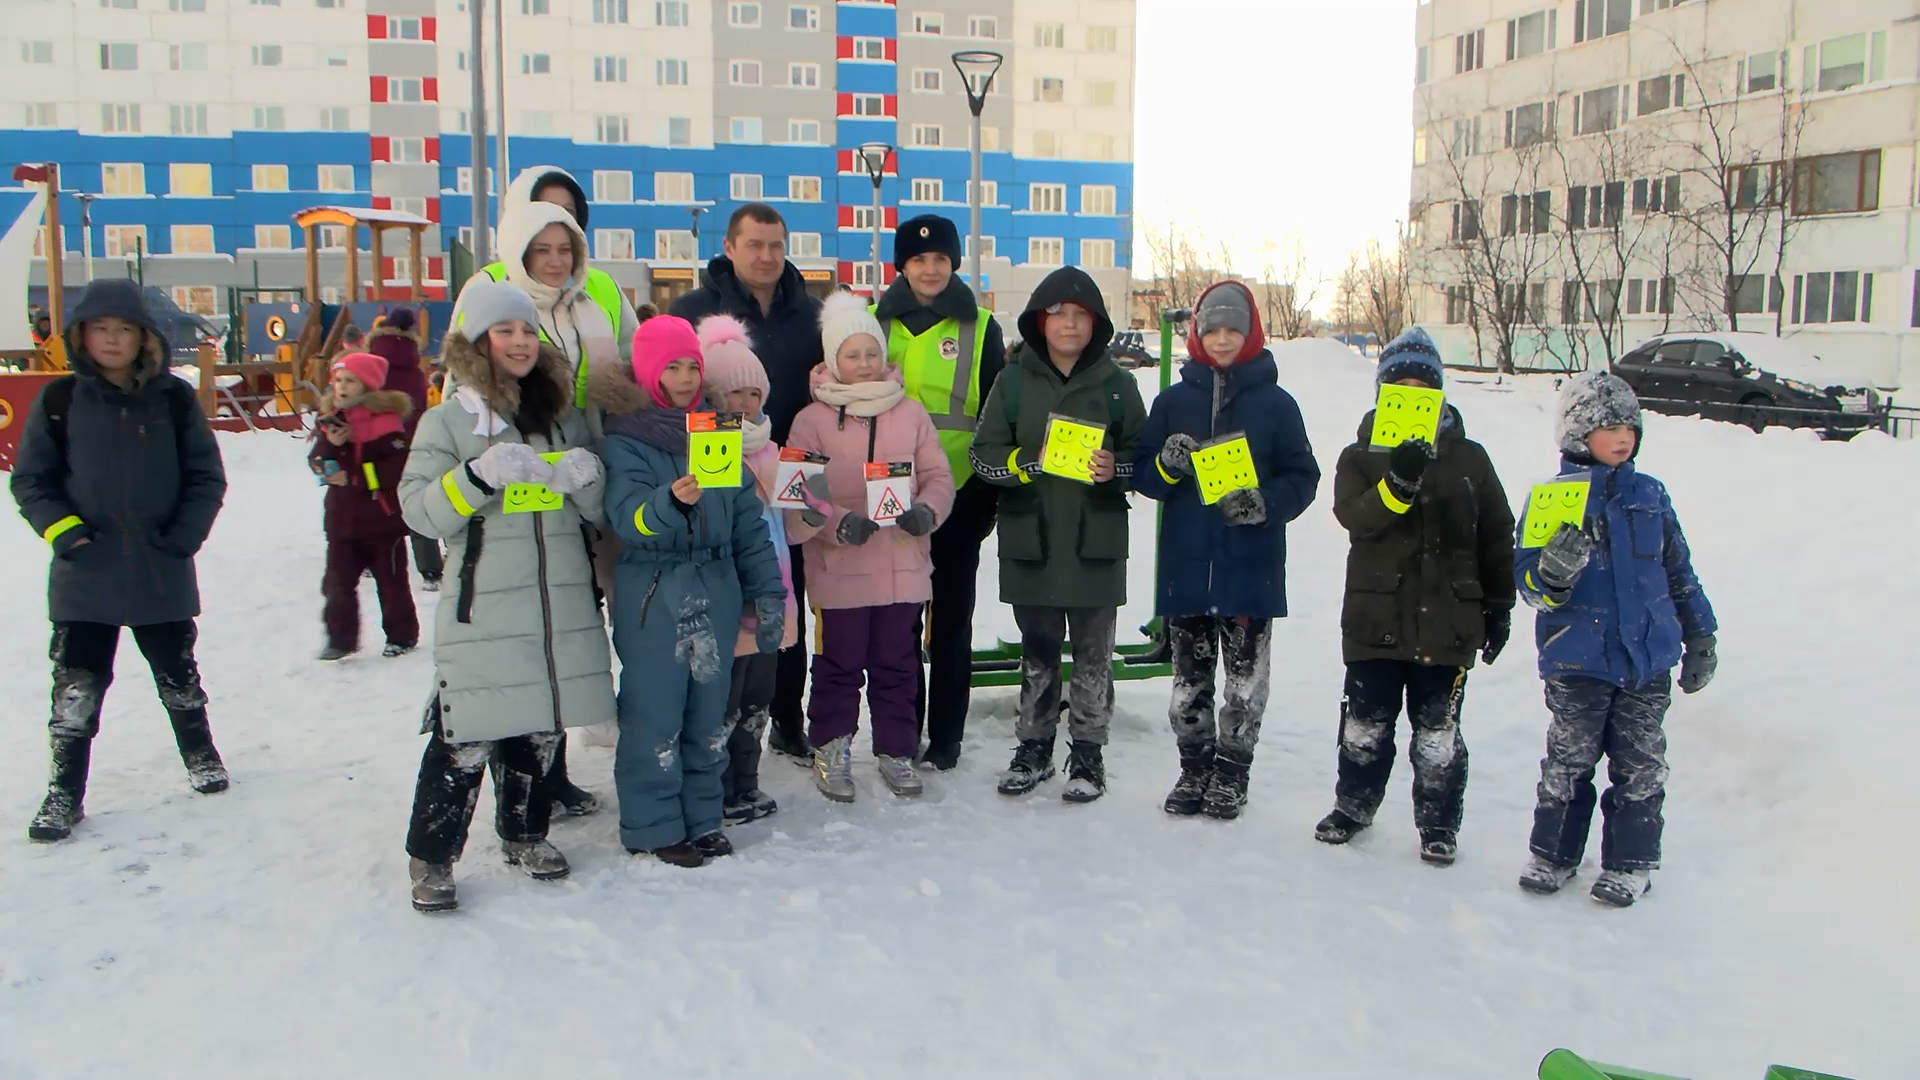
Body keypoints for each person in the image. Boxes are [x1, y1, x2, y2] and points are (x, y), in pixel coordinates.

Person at [396, 280, 615, 913]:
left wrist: (587, 478)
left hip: (557, 600)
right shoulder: (451, 420)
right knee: (466, 733)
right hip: (485, 604)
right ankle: (432, 856)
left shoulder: (562, 415)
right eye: (505, 331)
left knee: (540, 727)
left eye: (527, 331)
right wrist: (477, 476)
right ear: (477, 341)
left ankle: (525, 833)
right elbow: (418, 511)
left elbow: (597, 513)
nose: (520, 341)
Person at [10, 278, 230, 842]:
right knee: (76, 687)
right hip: (86, 574)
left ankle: (201, 755)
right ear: (81, 336)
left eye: (124, 330)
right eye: (101, 329)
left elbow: (205, 476)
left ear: (144, 339)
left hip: (160, 565)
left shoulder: (175, 400)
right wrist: (67, 535)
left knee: (178, 675)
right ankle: (64, 792)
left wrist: (183, 537)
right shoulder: (60, 401)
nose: (112, 339)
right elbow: (32, 480)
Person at [1514, 372, 1718, 907]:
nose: (1622, 435)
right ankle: (1553, 854)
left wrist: (1701, 636)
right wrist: (1550, 576)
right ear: (1579, 435)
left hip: (1646, 661)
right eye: (1607, 426)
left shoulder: (1649, 496)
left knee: (1640, 766)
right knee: (1568, 761)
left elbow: (1679, 572)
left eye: (1628, 424)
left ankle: (1631, 862)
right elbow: (1529, 585)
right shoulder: (1554, 500)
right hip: (1577, 659)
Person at [1310, 328, 1512, 864]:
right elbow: (1354, 517)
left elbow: (1496, 535)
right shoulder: (1360, 455)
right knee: (1364, 726)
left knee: (1438, 735)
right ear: (1382, 390)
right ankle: (1353, 806)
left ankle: (1439, 824)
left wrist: (1499, 607)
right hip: (1376, 618)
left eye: (1425, 381)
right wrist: (1396, 483)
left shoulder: (1471, 459)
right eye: (1400, 380)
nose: (1413, 388)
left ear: (1441, 391)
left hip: (1448, 625)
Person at [594, 315, 785, 867]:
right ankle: (654, 824)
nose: (683, 377)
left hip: (716, 582)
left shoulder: (713, 429)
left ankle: (702, 816)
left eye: (691, 367)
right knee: (656, 713)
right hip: (655, 587)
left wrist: (767, 590)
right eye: (672, 367)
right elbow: (628, 518)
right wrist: (668, 505)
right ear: (649, 371)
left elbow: (748, 519)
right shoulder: (625, 439)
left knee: (707, 711)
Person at [1131, 281, 1321, 821]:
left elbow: (1303, 476)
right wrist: (1168, 464)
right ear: (1196, 333)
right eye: (1211, 328)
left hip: (1249, 569)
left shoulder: (1277, 405)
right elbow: (1145, 474)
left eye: (1232, 329)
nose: (1221, 339)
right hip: (1187, 567)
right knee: (1188, 685)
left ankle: (1232, 774)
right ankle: (1193, 769)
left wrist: (1266, 502)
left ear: (1251, 332)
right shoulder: (1172, 402)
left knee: (1244, 686)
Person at [456, 195, 611, 816]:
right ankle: (505, 784)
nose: (553, 261)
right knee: (504, 661)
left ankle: (547, 779)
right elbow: (455, 422)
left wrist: (595, 470)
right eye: (540, 249)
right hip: (500, 525)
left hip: (570, 493)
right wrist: (475, 474)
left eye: (564, 249)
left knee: (562, 641)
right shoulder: (487, 300)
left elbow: (622, 376)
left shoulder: (594, 306)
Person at [968, 267, 1145, 803]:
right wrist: (1028, 462)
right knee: (1038, 652)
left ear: (1096, 324)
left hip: (1095, 544)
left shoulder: (1119, 385)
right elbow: (983, 455)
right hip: (1034, 542)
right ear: (1039, 322)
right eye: (1058, 314)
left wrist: (1117, 467)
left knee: (1094, 656)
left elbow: (1146, 458)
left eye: (1080, 315)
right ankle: (1034, 748)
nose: (1069, 324)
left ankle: (1088, 755)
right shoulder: (1014, 381)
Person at [670, 203, 824, 763]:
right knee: (723, 615)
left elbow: (825, 384)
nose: (766, 256)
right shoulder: (693, 309)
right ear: (730, 248)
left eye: (776, 246)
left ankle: (786, 716)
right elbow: (670, 388)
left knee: (786, 602)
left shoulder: (811, 313)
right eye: (754, 245)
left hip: (785, 472)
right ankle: (715, 731)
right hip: (713, 480)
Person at [786, 293, 955, 802]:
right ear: (833, 360)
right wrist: (836, 524)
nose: (864, 365)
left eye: (871, 354)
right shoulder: (810, 420)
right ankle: (832, 749)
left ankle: (896, 749)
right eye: (852, 355)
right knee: (838, 666)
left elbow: (938, 476)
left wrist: (928, 511)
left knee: (898, 663)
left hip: (902, 565)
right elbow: (797, 494)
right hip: (841, 572)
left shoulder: (911, 413)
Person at [873, 214, 1006, 772]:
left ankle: (946, 737)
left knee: (951, 625)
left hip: (958, 498)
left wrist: (980, 498)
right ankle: (902, 732)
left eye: (941, 260)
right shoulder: (875, 325)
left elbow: (998, 417)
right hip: (890, 500)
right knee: (898, 626)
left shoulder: (981, 326)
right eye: (919, 259)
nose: (930, 269)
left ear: (953, 264)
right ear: (901, 265)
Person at [693, 313, 796, 825]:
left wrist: (815, 501)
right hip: (728, 594)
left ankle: (747, 781)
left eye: (753, 394)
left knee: (759, 695)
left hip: (775, 591)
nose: (744, 404)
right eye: (732, 393)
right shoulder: (706, 452)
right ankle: (717, 785)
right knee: (724, 697)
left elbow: (801, 522)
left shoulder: (776, 452)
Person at [473, 165, 642, 387]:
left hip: (594, 420)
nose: (557, 217)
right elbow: (462, 371)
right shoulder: (488, 285)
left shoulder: (604, 285)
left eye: (568, 211)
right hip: (514, 420)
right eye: (546, 208)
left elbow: (636, 363)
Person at [310, 351, 420, 661]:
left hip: (381, 520)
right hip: (341, 519)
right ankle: (340, 639)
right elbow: (316, 459)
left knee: (391, 582)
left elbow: (396, 469)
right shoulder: (332, 420)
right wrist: (332, 445)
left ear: (368, 385)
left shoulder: (387, 424)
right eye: (338, 380)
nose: (342, 387)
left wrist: (356, 476)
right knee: (337, 583)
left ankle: (402, 636)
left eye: (350, 381)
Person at [367, 307, 443, 592]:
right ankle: (431, 570)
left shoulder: (372, 361)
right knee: (417, 498)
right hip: (413, 441)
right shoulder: (414, 366)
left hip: (377, 442)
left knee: (376, 497)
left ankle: (373, 560)